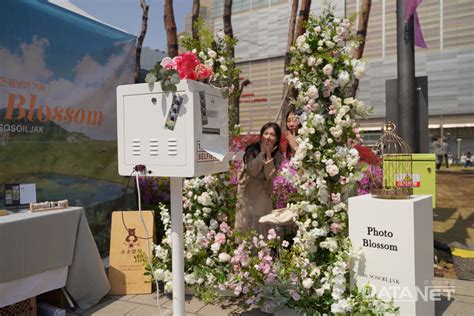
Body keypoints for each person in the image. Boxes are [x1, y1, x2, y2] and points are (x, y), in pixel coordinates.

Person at [235, 122, 283, 235]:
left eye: (272, 135)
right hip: (248, 189)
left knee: (261, 220)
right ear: (261, 135)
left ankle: (261, 250)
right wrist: (262, 154)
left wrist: (269, 155)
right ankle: (244, 250)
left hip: (263, 189)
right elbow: (252, 171)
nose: (268, 137)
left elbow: (270, 175)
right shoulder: (252, 150)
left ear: (277, 138)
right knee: (246, 220)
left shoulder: (278, 154)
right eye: (266, 133)